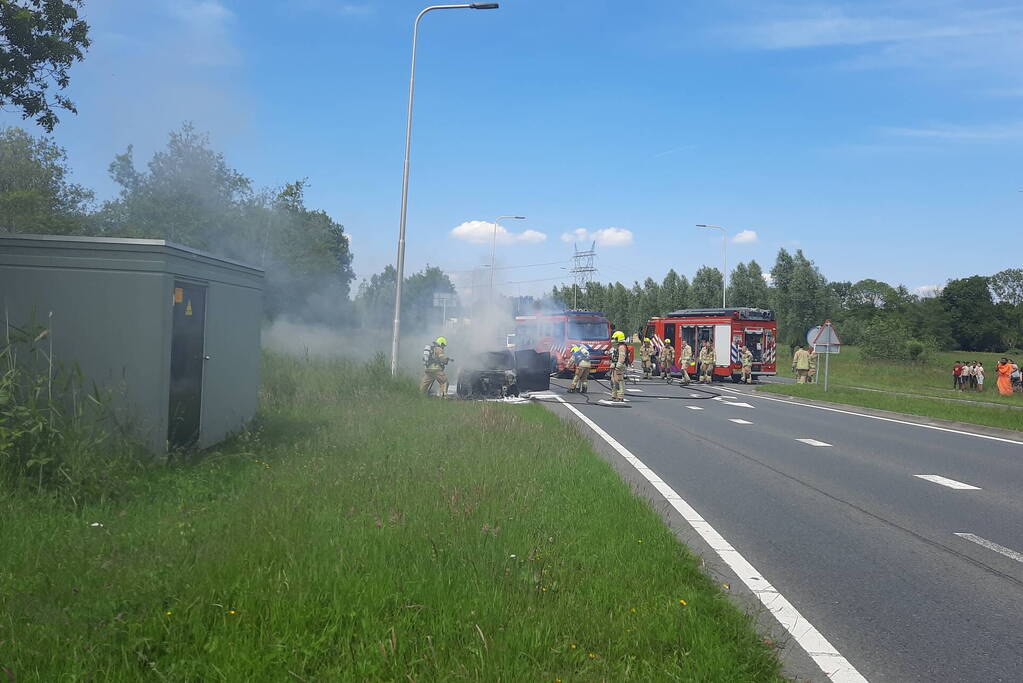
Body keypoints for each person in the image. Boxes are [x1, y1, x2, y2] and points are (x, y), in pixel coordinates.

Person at [609, 330, 628, 402]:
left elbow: (622, 357)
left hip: (619, 366)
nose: (614, 340)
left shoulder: (622, 347)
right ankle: (614, 396)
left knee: (619, 381)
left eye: (615, 338)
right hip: (615, 365)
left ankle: (620, 396)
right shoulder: (618, 346)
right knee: (613, 381)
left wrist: (618, 365)